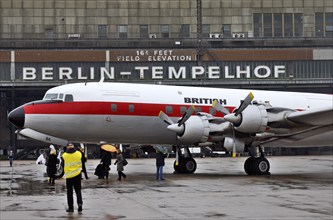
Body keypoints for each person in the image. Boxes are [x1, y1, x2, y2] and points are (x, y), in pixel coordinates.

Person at [62, 143, 83, 213]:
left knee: (70, 192)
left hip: (69, 176)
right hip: (77, 174)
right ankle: (80, 204)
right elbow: (83, 160)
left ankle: (71, 208)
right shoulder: (78, 153)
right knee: (78, 190)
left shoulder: (64, 155)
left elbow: (62, 165)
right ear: (73, 147)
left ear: (67, 147)